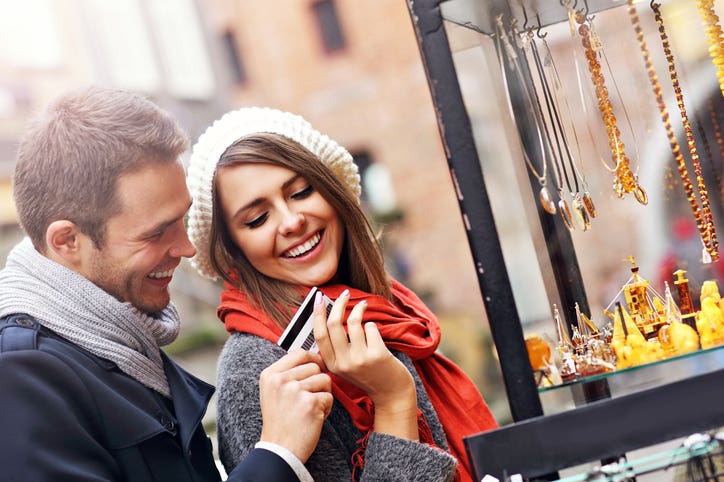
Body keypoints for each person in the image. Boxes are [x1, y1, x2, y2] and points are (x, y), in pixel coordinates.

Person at [0, 87, 334, 482]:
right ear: (67, 242)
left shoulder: (122, 339)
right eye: (157, 233)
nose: (187, 247)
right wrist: (278, 452)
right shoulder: (19, 379)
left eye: (182, 219)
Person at [186, 107, 499, 481]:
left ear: (332, 190)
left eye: (301, 192)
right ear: (234, 249)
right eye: (257, 219)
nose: (292, 221)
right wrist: (394, 401)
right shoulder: (253, 372)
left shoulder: (383, 309)